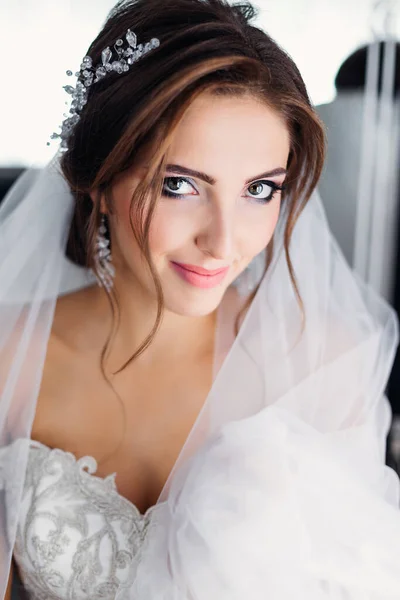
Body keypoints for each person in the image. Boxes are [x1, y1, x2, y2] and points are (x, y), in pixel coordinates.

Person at [1, 1, 400, 599]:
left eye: (259, 190)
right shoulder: (9, 357)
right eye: (179, 185)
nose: (223, 240)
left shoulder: (326, 368)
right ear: (98, 179)